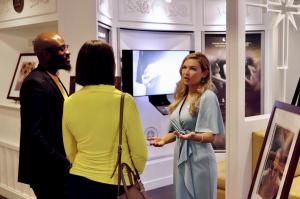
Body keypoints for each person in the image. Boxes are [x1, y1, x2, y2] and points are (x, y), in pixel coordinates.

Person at [62, 40, 147, 199]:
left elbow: (70, 150)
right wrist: (135, 173)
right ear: (111, 66)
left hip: (78, 181)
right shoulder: (124, 100)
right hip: (116, 183)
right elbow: (139, 152)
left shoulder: (69, 101)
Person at [148, 52, 224, 199]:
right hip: (181, 156)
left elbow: (210, 136)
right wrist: (163, 140)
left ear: (205, 73)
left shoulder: (207, 97)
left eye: (193, 68)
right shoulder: (181, 97)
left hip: (199, 158)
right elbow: (177, 131)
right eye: (184, 67)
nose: (186, 72)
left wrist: (194, 136)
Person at [18, 32, 71, 198]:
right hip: (46, 170)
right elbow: (34, 133)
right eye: (61, 49)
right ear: (44, 54)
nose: (67, 52)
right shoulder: (35, 82)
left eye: (66, 47)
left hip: (57, 167)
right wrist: (63, 161)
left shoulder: (52, 77)